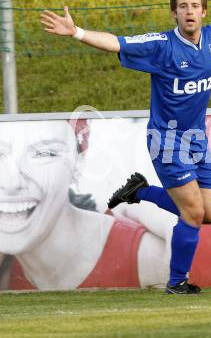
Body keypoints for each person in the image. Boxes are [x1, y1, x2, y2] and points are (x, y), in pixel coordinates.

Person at [41, 0, 211, 294]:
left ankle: (142, 192)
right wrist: (77, 33)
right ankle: (177, 281)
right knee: (193, 212)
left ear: (204, 12)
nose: (189, 11)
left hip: (197, 139)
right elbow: (118, 42)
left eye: (194, 6)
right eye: (183, 7)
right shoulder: (161, 45)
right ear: (174, 14)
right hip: (166, 140)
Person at [0, 119, 176, 290]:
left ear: (78, 163)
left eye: (44, 154)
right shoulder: (9, 261)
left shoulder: (146, 257)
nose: (11, 182)